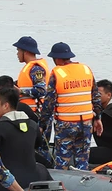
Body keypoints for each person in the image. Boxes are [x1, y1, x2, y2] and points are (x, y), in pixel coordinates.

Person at [38, 42, 103, 171]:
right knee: (83, 159)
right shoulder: (85, 70)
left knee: (62, 161)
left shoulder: (57, 73)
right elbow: (95, 97)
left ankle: (63, 186)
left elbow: (49, 103)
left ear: (57, 59)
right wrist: (98, 118)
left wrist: (42, 125)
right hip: (86, 123)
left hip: (66, 125)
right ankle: (83, 185)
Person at [0, 86, 50, 191]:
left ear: (6, 105)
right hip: (32, 178)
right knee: (41, 167)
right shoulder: (33, 125)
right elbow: (38, 145)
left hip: (9, 185)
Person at [0, 36, 49, 116]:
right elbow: (17, 87)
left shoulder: (36, 69)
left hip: (35, 114)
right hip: (26, 112)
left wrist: (21, 91)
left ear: (25, 52)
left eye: (18, 51)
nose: (17, 54)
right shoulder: (28, 68)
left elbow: (42, 90)